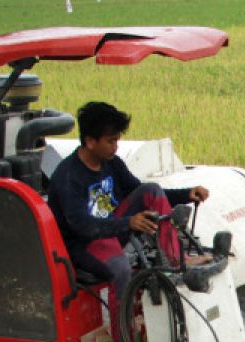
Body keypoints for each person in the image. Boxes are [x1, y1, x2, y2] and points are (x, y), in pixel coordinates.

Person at [47, 101, 210, 297]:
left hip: (113, 228)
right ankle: (122, 327)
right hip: (85, 242)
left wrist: (186, 194)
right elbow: (82, 225)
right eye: (110, 141)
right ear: (90, 141)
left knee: (151, 189)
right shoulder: (68, 176)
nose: (115, 147)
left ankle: (175, 257)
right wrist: (128, 223)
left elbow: (138, 190)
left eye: (117, 140)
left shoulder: (112, 163)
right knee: (121, 270)